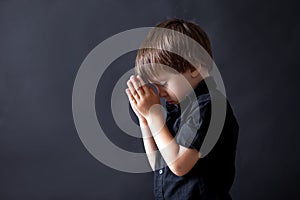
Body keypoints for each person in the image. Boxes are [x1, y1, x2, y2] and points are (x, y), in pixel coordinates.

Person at [125, 18, 239, 200]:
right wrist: (145, 121)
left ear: (194, 68)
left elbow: (179, 165)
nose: (160, 93)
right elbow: (159, 164)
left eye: (163, 84)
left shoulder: (209, 107)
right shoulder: (177, 110)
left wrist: (155, 116)